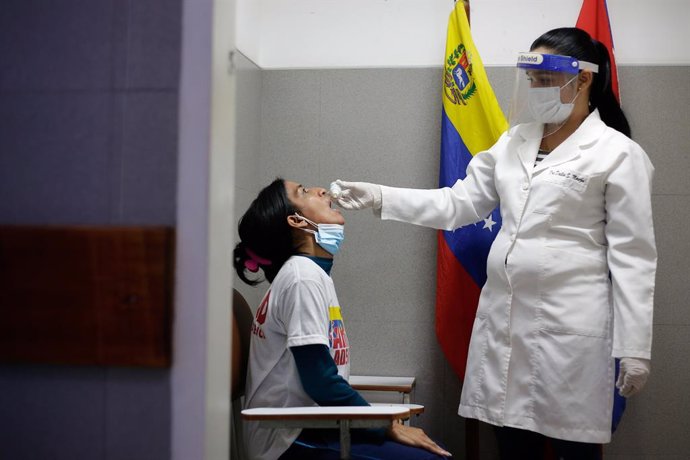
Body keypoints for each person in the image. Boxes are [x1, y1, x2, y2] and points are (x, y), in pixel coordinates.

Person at [332, 28, 656, 460]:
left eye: (547, 79)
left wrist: (634, 349)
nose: (537, 89)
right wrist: (380, 196)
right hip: (506, 329)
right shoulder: (514, 141)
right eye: (533, 79)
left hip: (571, 334)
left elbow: (633, 258)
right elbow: (455, 204)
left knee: (573, 448)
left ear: (583, 81)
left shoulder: (616, 154)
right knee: (512, 446)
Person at [233, 178, 452, 460]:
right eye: (303, 191)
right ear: (297, 222)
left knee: (431, 450)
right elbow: (320, 380)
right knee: (431, 458)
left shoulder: (310, 274)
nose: (320, 190)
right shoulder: (303, 277)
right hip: (287, 441)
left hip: (311, 426)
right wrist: (385, 426)